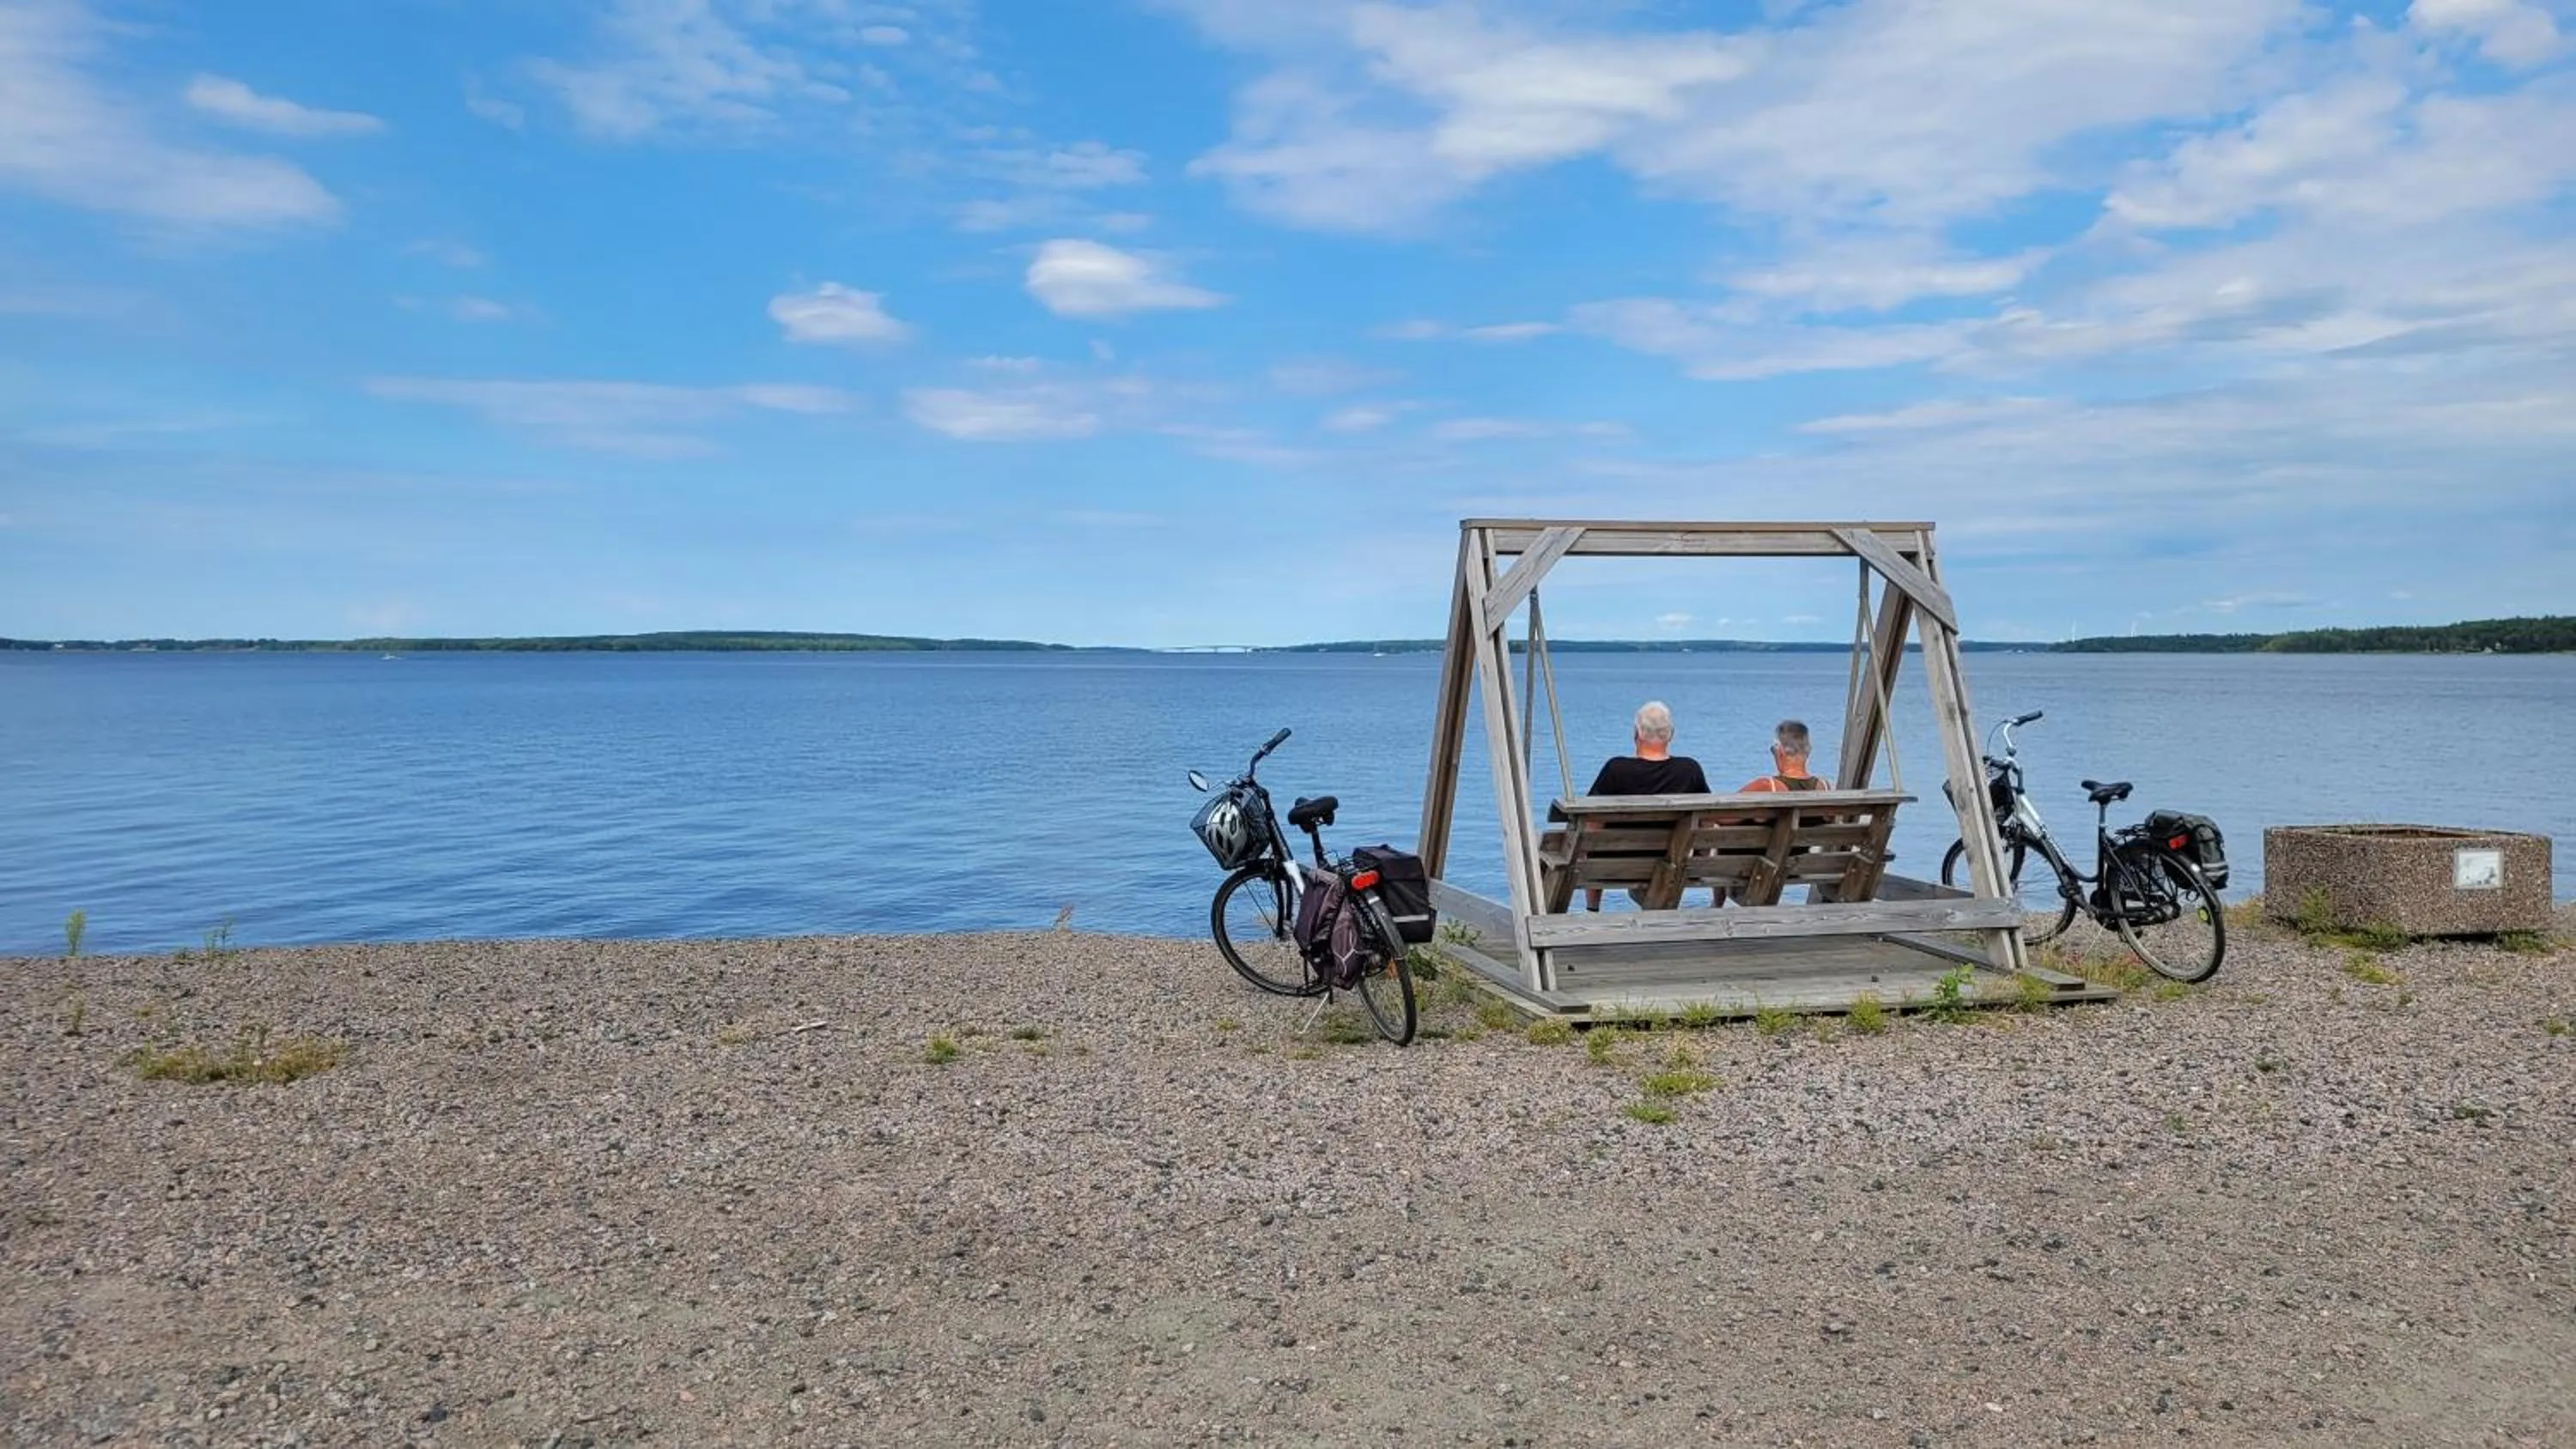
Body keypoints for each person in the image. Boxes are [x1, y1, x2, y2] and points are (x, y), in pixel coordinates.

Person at [1579, 702, 1710, 910]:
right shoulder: (1689, 769)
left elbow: (1592, 824)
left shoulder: (1616, 769)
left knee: (1591, 838)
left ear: (1636, 733)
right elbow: (1707, 820)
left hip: (1614, 865)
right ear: (1671, 734)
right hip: (1670, 863)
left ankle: (1593, 909)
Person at [1738, 718, 1832, 793]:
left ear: (1780, 751)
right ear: (1808, 752)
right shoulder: (1824, 787)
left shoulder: (1768, 786)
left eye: (1773, 750)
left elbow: (1728, 808)